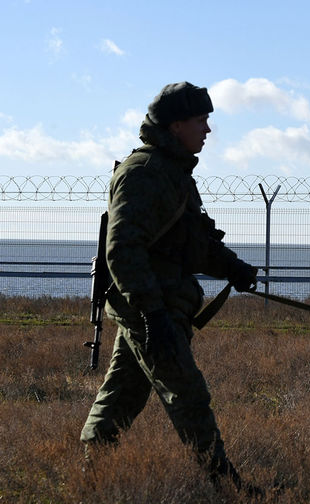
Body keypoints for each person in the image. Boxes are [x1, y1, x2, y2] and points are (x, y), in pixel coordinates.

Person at [80, 82, 259, 494]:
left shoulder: (171, 171)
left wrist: (233, 268)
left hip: (158, 305)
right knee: (189, 395)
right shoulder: (143, 173)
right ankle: (225, 484)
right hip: (150, 307)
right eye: (201, 121)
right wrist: (152, 314)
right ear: (176, 125)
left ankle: (90, 478)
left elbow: (191, 241)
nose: (208, 130)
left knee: (121, 396)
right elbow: (122, 250)